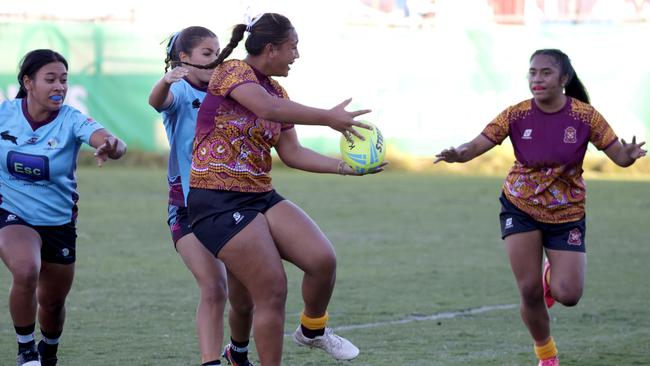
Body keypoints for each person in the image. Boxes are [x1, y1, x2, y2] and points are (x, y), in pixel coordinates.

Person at [182, 13, 384, 366]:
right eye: (293, 47)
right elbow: (265, 107)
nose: (297, 55)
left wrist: (346, 169)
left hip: (259, 195)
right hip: (215, 199)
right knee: (271, 289)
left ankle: (312, 330)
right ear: (271, 48)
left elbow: (292, 152)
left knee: (322, 259)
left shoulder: (277, 90)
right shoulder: (232, 71)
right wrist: (328, 117)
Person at [435, 48, 646, 366]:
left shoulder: (585, 116)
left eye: (545, 72)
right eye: (532, 72)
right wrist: (458, 153)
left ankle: (552, 277)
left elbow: (618, 155)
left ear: (564, 78)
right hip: (520, 206)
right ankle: (546, 354)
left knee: (569, 295)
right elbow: (477, 144)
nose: (537, 78)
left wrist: (628, 155)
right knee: (529, 290)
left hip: (567, 213)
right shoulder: (516, 114)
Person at [0, 49, 127, 366]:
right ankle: (26, 350)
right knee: (26, 270)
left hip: (58, 223)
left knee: (53, 303)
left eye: (64, 80)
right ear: (28, 82)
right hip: (11, 213)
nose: (59, 86)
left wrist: (109, 145)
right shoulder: (5, 113)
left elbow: (112, 141)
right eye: (50, 79)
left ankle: (48, 352)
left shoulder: (71, 119)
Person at [148, 26, 254, 366]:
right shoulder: (179, 90)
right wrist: (166, 80)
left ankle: (237, 353)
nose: (215, 59)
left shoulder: (229, 91)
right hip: (187, 207)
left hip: (231, 203)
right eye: (207, 54)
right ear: (184, 59)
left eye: (217, 52)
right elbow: (156, 101)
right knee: (213, 287)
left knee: (244, 293)